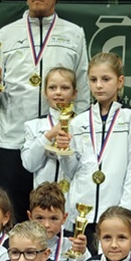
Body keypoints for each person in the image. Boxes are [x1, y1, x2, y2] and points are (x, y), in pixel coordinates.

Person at [0, 0, 89, 212]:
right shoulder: (6, 33)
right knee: (11, 213)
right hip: (13, 140)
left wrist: (76, 133)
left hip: (57, 141)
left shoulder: (74, 34)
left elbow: (82, 88)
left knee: (54, 213)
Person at [65, 53, 131, 248]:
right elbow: (71, 171)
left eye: (106, 79)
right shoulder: (78, 122)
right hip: (82, 213)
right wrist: (64, 151)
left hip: (115, 212)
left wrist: (125, 210)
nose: (99, 85)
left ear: (120, 82)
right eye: (93, 80)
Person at [20, 66, 79, 195]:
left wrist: (66, 150)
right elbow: (29, 164)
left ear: (74, 93)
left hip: (73, 197)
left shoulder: (82, 126)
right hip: (43, 199)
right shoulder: (33, 126)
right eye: (52, 88)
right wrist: (48, 136)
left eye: (65, 88)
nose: (58, 92)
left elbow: (78, 170)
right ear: (45, 93)